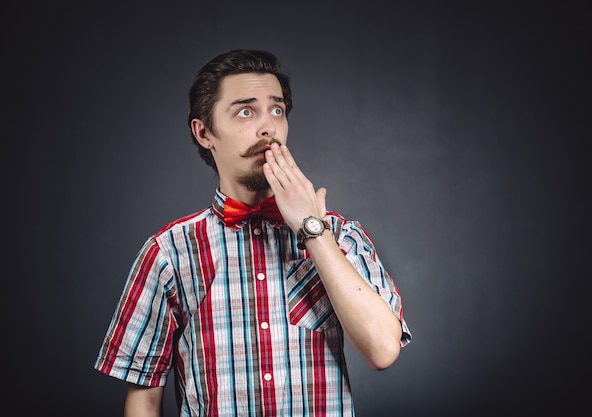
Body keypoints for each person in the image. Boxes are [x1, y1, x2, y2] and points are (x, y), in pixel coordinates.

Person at [94, 49, 412, 417]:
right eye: (246, 111)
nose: (268, 128)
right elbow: (144, 400)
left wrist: (314, 232)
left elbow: (383, 351)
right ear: (204, 133)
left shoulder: (340, 235)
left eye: (276, 110)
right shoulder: (168, 253)